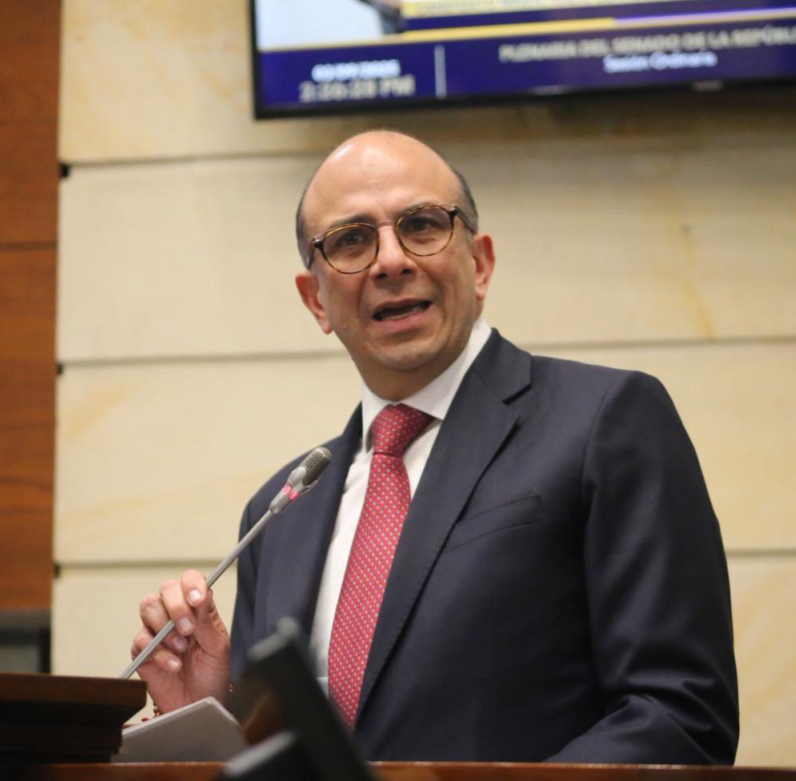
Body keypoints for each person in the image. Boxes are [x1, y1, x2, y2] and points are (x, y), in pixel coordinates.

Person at [133, 130, 740, 764]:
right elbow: (284, 763)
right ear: (316, 301)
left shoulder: (604, 422)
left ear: (480, 264)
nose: (391, 261)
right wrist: (212, 718)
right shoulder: (280, 511)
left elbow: (679, 717)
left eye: (421, 225)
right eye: (351, 240)